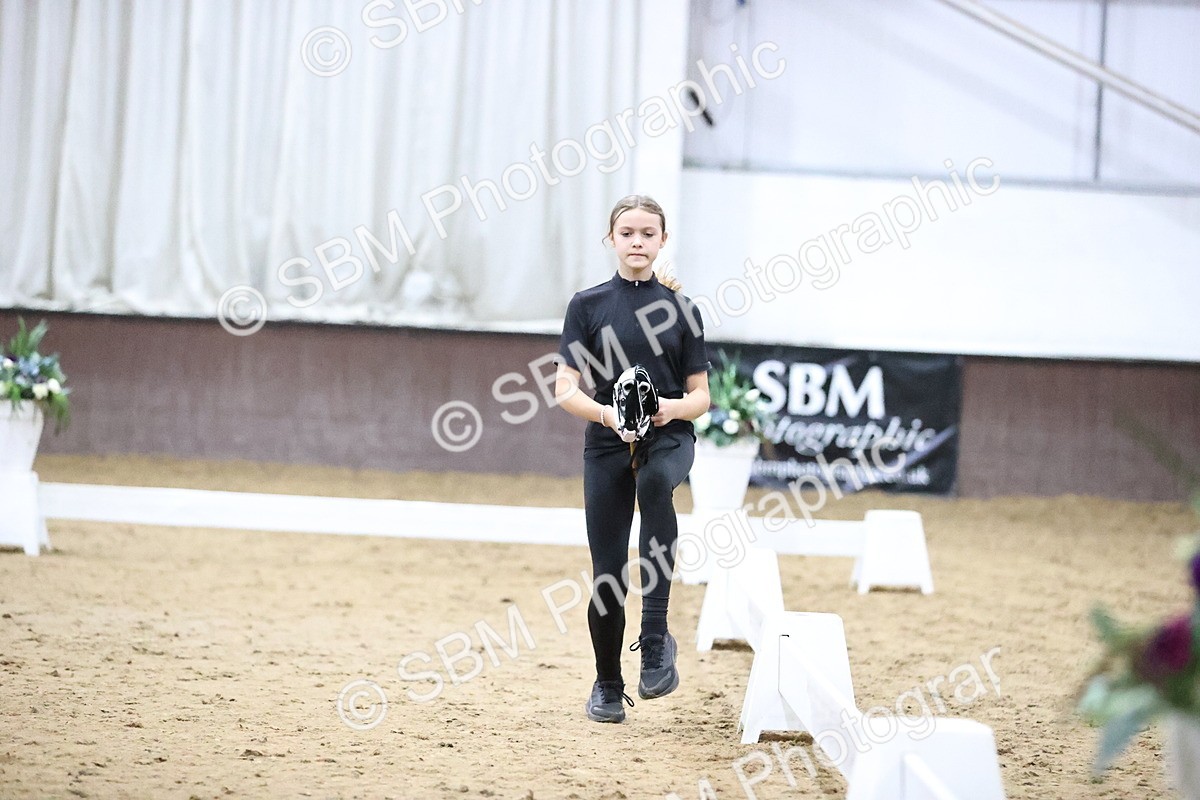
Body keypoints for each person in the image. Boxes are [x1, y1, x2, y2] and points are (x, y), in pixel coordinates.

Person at [553, 195, 712, 723]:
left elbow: (701, 398)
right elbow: (565, 389)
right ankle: (606, 683)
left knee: (654, 484)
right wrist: (607, 416)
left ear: (663, 240)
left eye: (648, 233)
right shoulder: (588, 306)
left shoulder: (684, 312)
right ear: (612, 239)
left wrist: (665, 410)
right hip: (607, 443)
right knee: (606, 574)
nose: (638, 241)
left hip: (668, 437)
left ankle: (655, 632)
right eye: (628, 233)